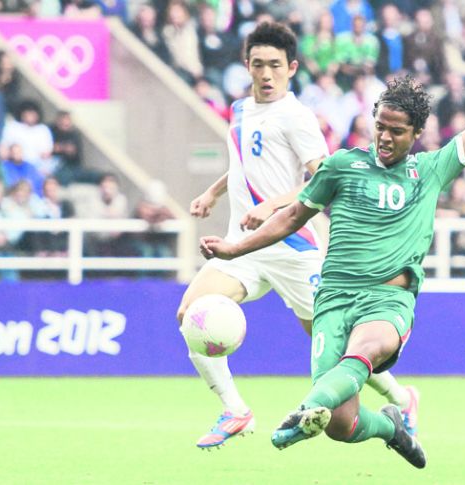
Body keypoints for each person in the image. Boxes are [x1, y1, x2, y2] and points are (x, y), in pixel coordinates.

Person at [200, 45, 465, 468]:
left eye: (397, 130)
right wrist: (235, 249)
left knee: (365, 350)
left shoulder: (431, 170)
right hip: (333, 300)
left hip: (388, 301)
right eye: (380, 126)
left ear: (416, 132)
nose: (385, 137)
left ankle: (300, 412)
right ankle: (391, 426)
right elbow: (293, 216)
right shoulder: (341, 166)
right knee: (339, 424)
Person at [178, 21, 418, 451]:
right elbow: (245, 162)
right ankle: (235, 411)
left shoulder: (297, 117)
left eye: (274, 65)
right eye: (257, 65)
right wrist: (212, 192)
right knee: (189, 315)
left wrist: (272, 204)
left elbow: (322, 179)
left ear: (291, 68)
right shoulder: (238, 110)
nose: (265, 74)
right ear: (246, 65)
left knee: (342, 349)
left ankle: (403, 399)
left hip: (293, 249)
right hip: (244, 247)